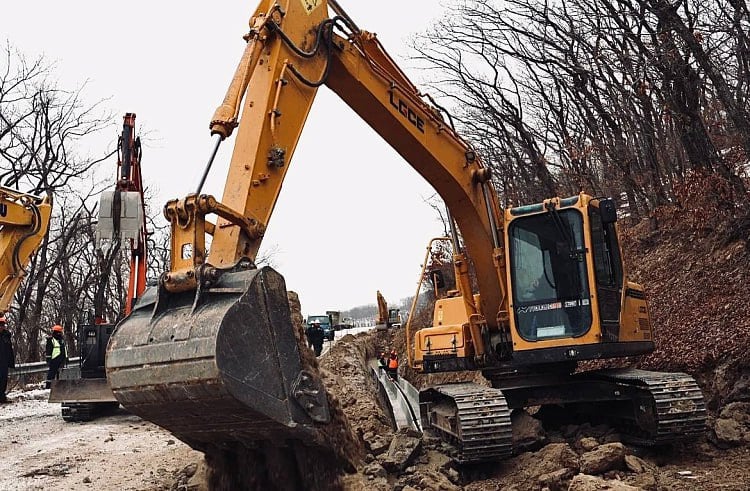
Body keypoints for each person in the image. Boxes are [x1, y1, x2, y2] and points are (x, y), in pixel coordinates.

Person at [45, 324, 67, 389]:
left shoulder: (62, 340)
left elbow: (64, 349)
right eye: (60, 332)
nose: (61, 334)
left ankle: (57, 386)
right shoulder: (51, 340)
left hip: (61, 359)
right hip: (54, 359)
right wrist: (48, 360)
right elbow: (48, 351)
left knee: (59, 373)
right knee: (52, 373)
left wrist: (66, 357)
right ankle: (48, 386)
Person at [0, 316, 15, 403]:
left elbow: (9, 350)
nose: (1, 327)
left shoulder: (6, 336)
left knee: (3, 380)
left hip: (4, 363)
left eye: (2, 325)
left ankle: (2, 397)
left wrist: (11, 362)